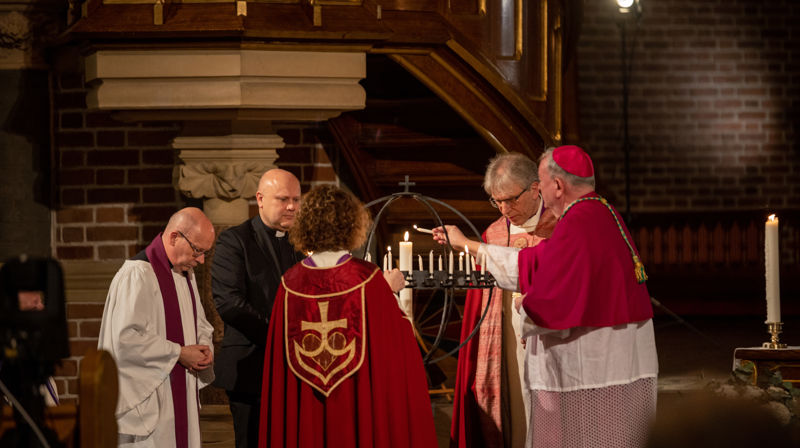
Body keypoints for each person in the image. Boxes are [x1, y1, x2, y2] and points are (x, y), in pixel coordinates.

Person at [434, 145, 658, 448]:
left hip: (592, 363)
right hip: (609, 357)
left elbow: (552, 297)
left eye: (540, 182)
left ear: (557, 185)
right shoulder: (597, 210)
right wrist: (468, 246)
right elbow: (538, 261)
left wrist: (525, 306)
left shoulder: (579, 220)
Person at [258, 184, 438, 448]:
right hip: (358, 400)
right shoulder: (368, 279)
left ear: (305, 224)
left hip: (307, 402)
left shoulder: (290, 283)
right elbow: (397, 350)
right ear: (350, 225)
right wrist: (389, 292)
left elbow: (279, 365)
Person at [450, 153, 557, 448]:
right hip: (505, 338)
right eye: (497, 201)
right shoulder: (493, 234)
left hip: (546, 337)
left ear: (536, 188)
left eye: (511, 200)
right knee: (511, 406)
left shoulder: (559, 229)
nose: (504, 209)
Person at [97, 207, 216, 448]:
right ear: (174, 237)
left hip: (180, 392)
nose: (201, 260)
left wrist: (204, 348)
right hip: (152, 402)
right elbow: (126, 340)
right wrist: (179, 353)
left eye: (205, 253)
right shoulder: (137, 274)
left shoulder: (185, 272)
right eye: (198, 250)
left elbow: (199, 322)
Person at [212, 168, 303, 448]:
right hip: (252, 367)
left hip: (299, 367)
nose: (291, 206)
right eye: (283, 198)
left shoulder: (303, 243)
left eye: (297, 200)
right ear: (260, 199)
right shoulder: (235, 241)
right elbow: (229, 303)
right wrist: (279, 336)